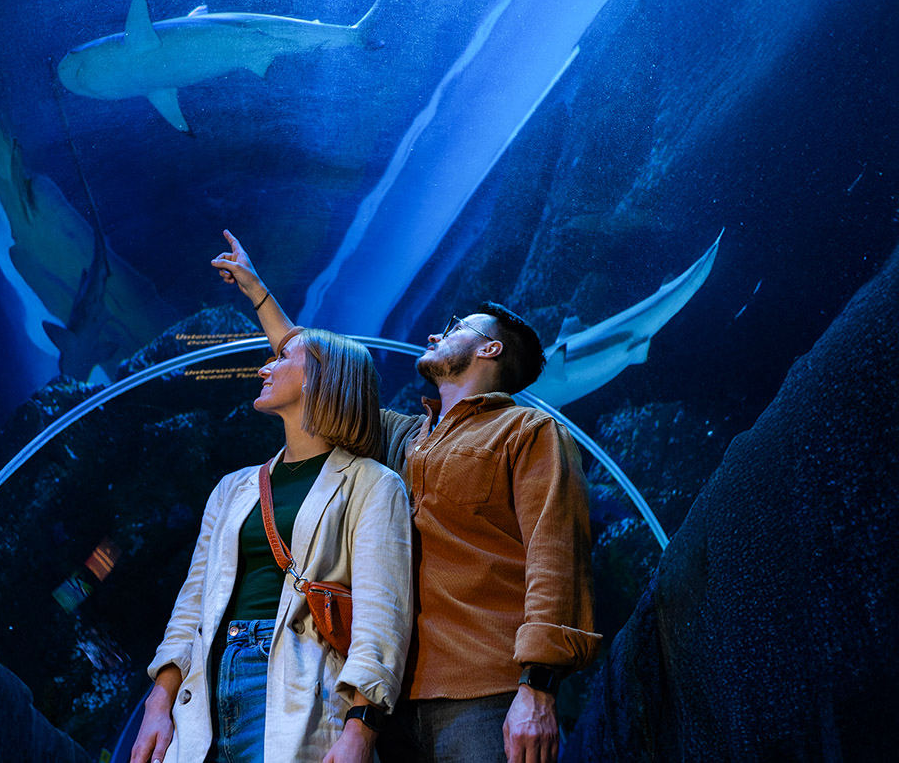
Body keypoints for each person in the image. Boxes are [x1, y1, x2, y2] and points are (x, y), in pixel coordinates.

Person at [212, 230, 601, 763]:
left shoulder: (528, 431)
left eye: (456, 327)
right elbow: (317, 370)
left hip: (485, 694)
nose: (437, 333)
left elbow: (556, 558)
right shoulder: (402, 436)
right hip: (388, 707)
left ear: (490, 348)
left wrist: (538, 687)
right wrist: (259, 295)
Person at [130, 326, 413, 763]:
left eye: (282, 358)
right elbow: (192, 604)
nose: (265, 368)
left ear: (321, 377)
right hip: (204, 687)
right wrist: (157, 703)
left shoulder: (373, 483)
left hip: (296, 686)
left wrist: (361, 730)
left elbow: (382, 618)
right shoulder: (232, 488)